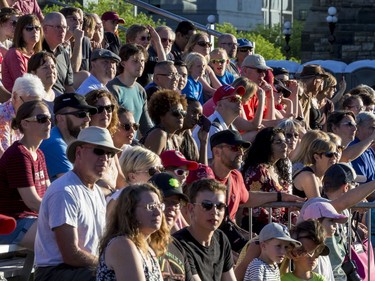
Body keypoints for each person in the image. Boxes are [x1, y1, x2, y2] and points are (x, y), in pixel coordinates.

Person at [35, 126, 121, 281]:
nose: (105, 158)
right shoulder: (64, 191)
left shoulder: (95, 192)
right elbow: (71, 255)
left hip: (80, 270)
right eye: (99, 151)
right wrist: (108, 264)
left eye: (110, 153)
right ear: (79, 152)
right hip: (55, 273)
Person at [0, 100, 50, 250]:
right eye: (42, 119)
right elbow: (32, 201)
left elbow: (49, 192)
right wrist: (62, 215)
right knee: (60, 238)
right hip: (12, 224)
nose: (48, 123)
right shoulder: (19, 154)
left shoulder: (39, 154)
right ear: (25, 124)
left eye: (49, 118)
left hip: (31, 220)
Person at [97, 183, 168, 281]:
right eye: (151, 207)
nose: (158, 213)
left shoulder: (149, 250)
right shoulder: (122, 244)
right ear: (130, 211)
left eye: (160, 206)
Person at [173, 178, 236, 280]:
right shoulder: (180, 244)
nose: (214, 211)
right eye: (207, 205)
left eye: (220, 206)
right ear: (191, 209)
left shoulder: (221, 239)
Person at [242, 127, 291, 233]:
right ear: (266, 146)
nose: (285, 145)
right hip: (260, 228)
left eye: (285, 141)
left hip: (278, 226)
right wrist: (278, 225)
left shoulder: (278, 169)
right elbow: (253, 205)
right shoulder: (257, 171)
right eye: (278, 142)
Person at [40, 93, 97, 181]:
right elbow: (73, 185)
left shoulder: (73, 142)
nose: (88, 119)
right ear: (60, 118)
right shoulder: (54, 144)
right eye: (81, 114)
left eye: (88, 114)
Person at [149, 172, 194, 280]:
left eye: (176, 203)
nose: (172, 207)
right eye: (165, 201)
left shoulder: (179, 246)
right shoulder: (139, 243)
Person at [107, 43, 153, 136]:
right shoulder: (113, 88)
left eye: (142, 61)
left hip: (132, 144)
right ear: (123, 63)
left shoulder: (140, 90)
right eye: (135, 61)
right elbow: (112, 124)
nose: (140, 65)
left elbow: (146, 126)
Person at [85, 89, 124, 194]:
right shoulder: (84, 142)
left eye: (109, 108)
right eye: (99, 109)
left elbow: (120, 178)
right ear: (89, 113)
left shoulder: (108, 139)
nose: (105, 113)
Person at [192, 84, 245, 160]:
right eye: (234, 99)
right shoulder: (212, 128)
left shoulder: (230, 127)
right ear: (219, 105)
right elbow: (211, 163)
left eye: (240, 99)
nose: (239, 102)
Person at [0, 73, 46, 157]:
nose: (33, 109)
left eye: (36, 104)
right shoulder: (2, 118)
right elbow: (6, 158)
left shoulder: (33, 117)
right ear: (14, 96)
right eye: (28, 104)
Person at [2, 14, 43, 92]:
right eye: (29, 28)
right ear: (20, 33)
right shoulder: (14, 54)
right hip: (18, 100)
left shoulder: (37, 54)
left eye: (37, 28)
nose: (35, 31)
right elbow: (26, 86)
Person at [142, 89, 187, 155]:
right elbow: (148, 164)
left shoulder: (174, 138)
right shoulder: (158, 135)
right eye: (176, 113)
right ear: (161, 114)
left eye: (183, 113)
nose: (181, 116)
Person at [42, 12, 74, 94]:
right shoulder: (37, 51)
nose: (63, 31)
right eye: (58, 27)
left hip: (62, 100)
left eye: (65, 27)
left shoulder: (64, 53)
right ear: (45, 29)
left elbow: (68, 87)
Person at [27, 51, 59, 116]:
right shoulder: (30, 99)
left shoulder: (60, 97)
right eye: (45, 68)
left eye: (53, 67)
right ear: (33, 73)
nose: (51, 71)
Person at [60, 7, 89, 72]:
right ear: (63, 20)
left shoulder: (67, 43)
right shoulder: (55, 40)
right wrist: (78, 40)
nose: (78, 23)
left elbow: (74, 68)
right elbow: (73, 69)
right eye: (74, 19)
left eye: (80, 21)